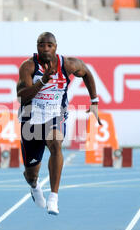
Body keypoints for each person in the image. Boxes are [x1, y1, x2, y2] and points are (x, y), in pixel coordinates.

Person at [16, 32, 101, 215]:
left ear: (55, 47)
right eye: (41, 45)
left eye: (49, 45)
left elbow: (86, 73)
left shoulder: (68, 64)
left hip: (55, 114)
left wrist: (94, 101)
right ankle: (34, 185)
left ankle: (54, 197)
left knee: (56, 144)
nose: (45, 49)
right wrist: (43, 81)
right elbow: (22, 96)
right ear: (37, 47)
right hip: (31, 118)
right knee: (31, 174)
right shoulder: (28, 66)